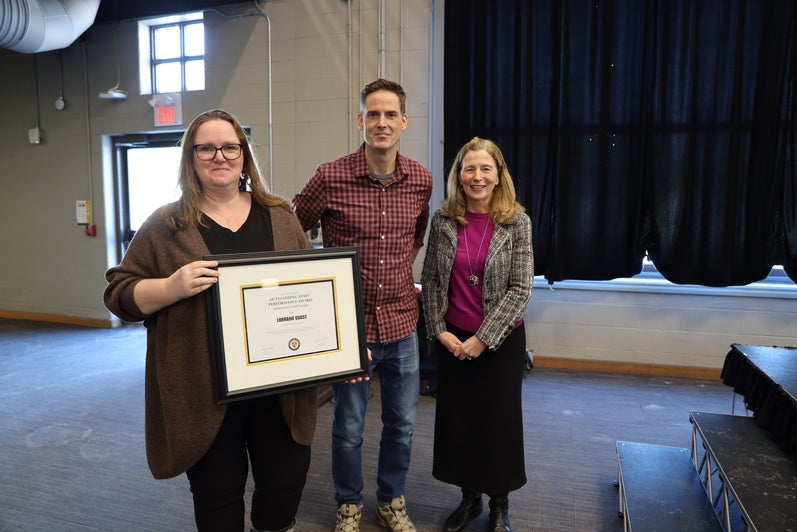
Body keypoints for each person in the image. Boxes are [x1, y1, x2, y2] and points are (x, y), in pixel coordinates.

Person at [103, 109, 318, 532]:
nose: (219, 156)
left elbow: (314, 288)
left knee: (283, 488)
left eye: (230, 146)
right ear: (191, 157)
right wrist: (171, 287)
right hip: (202, 392)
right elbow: (118, 292)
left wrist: (341, 345)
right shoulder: (166, 224)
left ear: (243, 154)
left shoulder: (279, 215)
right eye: (206, 147)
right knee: (217, 499)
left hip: (279, 389)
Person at [292, 79, 433, 532]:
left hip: (403, 323)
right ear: (360, 121)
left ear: (404, 122)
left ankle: (391, 501)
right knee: (349, 428)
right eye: (373, 114)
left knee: (402, 425)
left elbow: (415, 236)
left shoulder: (421, 179)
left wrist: (391, 275)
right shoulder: (330, 176)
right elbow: (295, 231)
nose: (382, 122)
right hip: (350, 328)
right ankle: (348, 504)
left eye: (391, 114)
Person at [420, 137, 533, 532]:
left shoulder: (517, 222)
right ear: (459, 175)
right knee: (460, 422)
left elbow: (520, 289)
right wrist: (438, 330)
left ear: (498, 175)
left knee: (497, 423)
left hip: (500, 342)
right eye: (470, 169)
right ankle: (469, 500)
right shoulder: (445, 219)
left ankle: (500, 504)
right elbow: (432, 280)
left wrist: (483, 337)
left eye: (486, 168)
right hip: (454, 340)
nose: (477, 176)